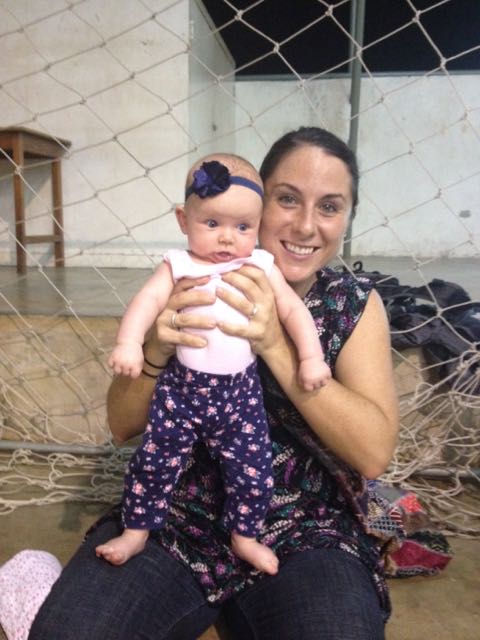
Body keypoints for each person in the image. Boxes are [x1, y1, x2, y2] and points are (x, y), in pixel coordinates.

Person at [29, 126, 398, 640]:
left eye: (330, 207)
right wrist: (154, 349)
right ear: (257, 201)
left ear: (348, 217)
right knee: (70, 633)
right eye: (287, 199)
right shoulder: (188, 279)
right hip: (177, 513)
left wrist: (276, 345)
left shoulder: (351, 304)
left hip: (304, 528)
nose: (306, 225)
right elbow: (121, 425)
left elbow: (373, 454)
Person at [96, 153, 330, 572]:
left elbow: (294, 310)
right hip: (181, 389)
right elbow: (147, 301)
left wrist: (311, 358)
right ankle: (136, 530)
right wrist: (130, 343)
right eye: (212, 223)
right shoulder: (179, 264)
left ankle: (245, 536)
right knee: (154, 460)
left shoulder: (260, 264)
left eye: (243, 227)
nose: (227, 238)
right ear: (183, 220)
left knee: (253, 469)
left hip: (239, 395)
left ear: (258, 226)